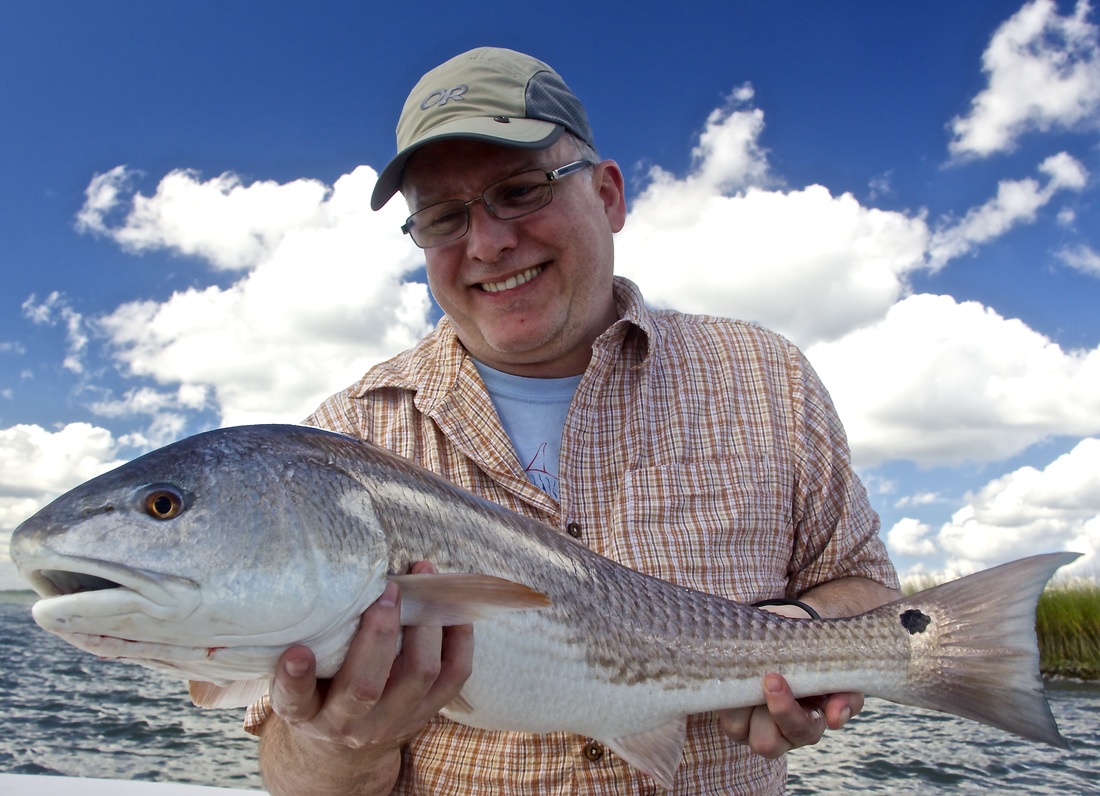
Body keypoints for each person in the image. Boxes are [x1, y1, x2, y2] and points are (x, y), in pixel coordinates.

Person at [250, 46, 900, 795]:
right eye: (441, 217)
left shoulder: (768, 376)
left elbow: (864, 588)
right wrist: (339, 744)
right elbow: (293, 776)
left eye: (521, 191)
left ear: (610, 195)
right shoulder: (338, 447)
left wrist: (801, 643)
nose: (488, 243)